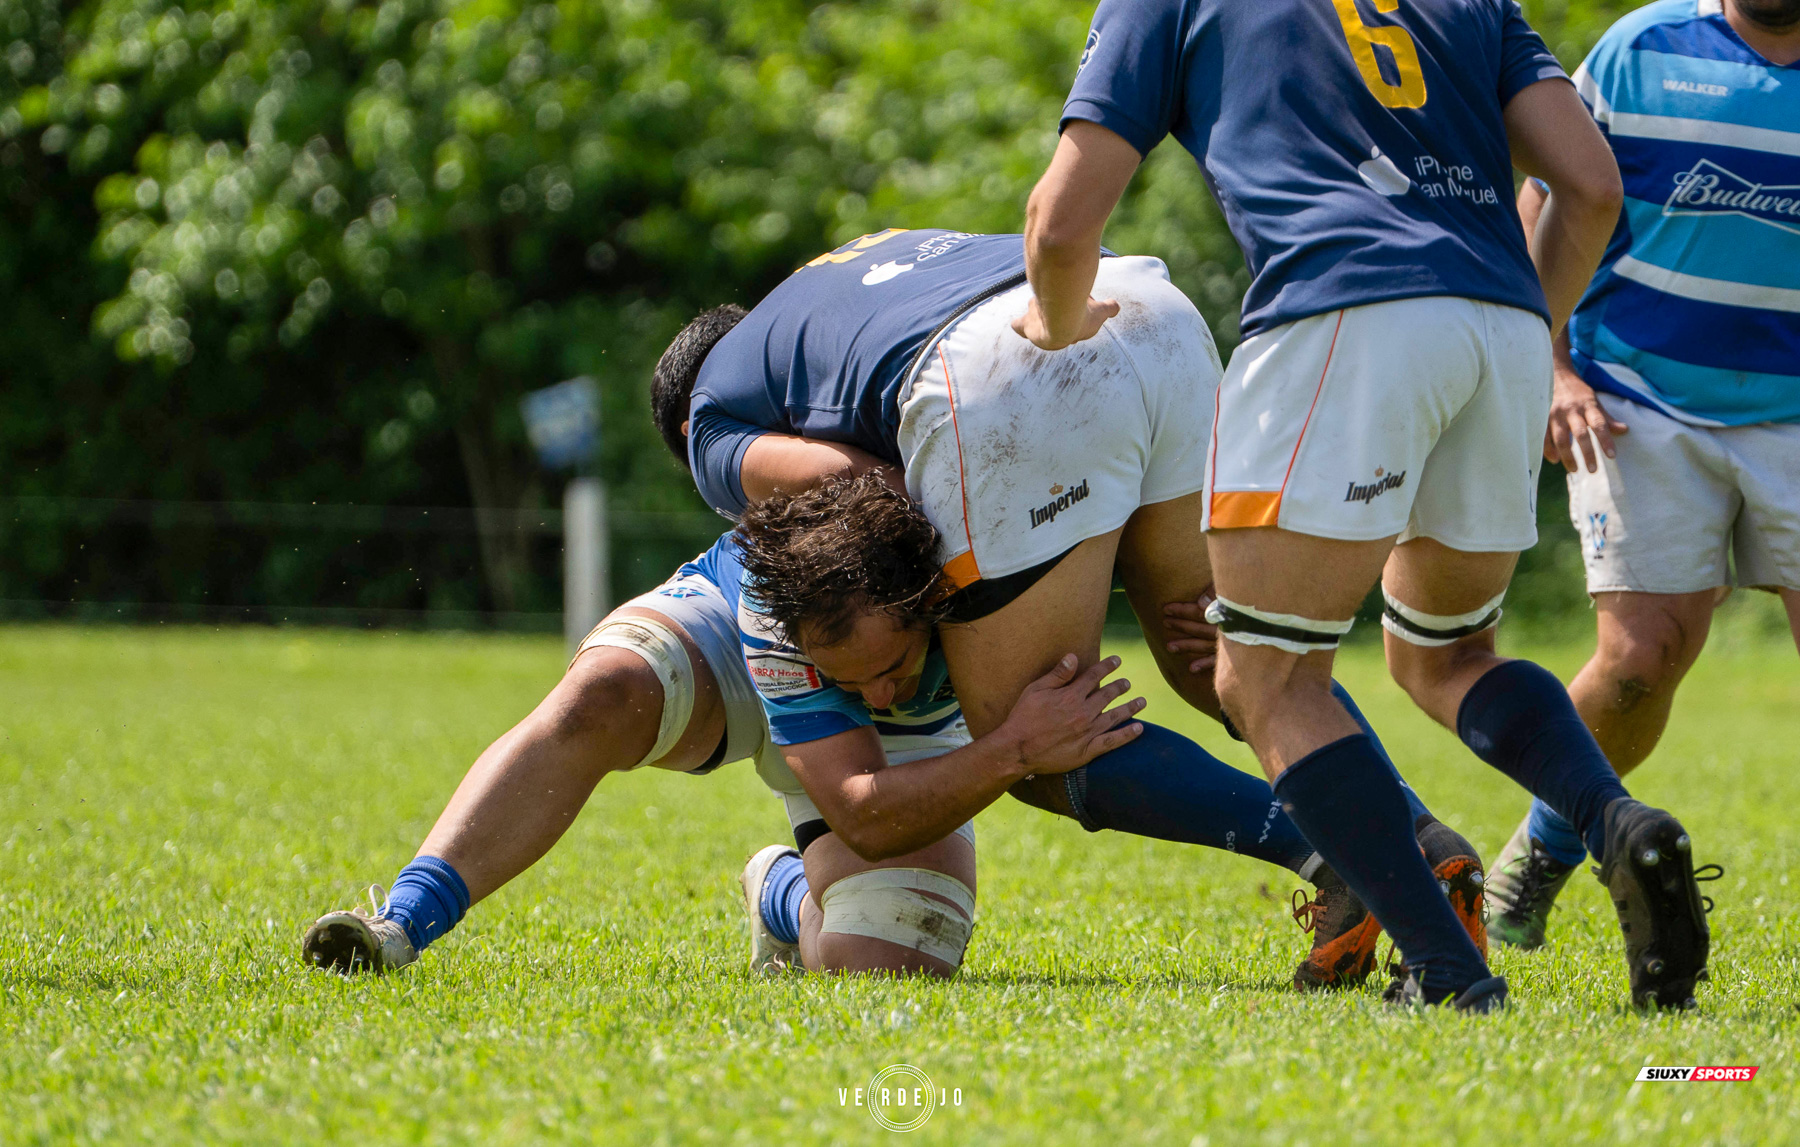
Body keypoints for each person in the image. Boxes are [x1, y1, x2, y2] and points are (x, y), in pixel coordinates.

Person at [1019, 0, 1713, 1009]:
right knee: (1445, 652)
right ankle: (1616, 822)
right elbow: (1592, 185)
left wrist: (1059, 323)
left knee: (1265, 679)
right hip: (1501, 323)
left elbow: (1062, 218)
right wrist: (1517, 336)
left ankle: (1448, 971)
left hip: (1340, 314)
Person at [659, 233, 1485, 988]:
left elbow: (866, 492)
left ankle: (1355, 858)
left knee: (1042, 731)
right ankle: (1424, 839)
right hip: (1143, 309)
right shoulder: (825, 290)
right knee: (1228, 660)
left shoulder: (713, 426)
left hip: (1010, 371)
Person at [727, 472, 1486, 984]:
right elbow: (865, 813)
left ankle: (1360, 848)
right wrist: (1015, 744)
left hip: (1057, 394)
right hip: (766, 674)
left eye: (889, 667)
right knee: (874, 955)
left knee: (1208, 652)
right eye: (851, 681)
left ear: (926, 596)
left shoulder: (923, 514)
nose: (878, 695)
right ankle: (783, 890)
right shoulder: (772, 609)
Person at [301, 532, 1120, 978]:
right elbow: (707, 418)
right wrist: (1014, 748)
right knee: (603, 693)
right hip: (754, 620)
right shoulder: (813, 383)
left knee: (880, 965)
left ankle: (781, 890)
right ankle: (398, 926)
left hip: (885, 672)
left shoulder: (971, 463)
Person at [1485, 0, 1792, 949]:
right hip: (1637, 400)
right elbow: (1543, 200)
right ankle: (1543, 847)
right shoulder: (1643, 47)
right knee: (1638, 665)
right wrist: (1550, 367)